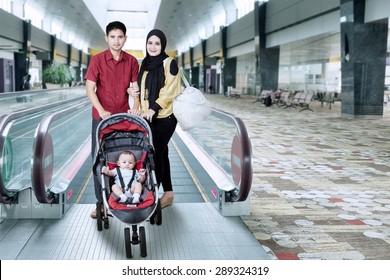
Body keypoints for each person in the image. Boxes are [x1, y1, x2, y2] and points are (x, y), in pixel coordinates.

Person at [85, 21, 139, 218]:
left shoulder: (132, 61)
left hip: (123, 117)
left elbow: (135, 88)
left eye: (120, 37)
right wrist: (101, 110)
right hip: (101, 118)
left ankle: (125, 193)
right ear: (106, 38)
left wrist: (136, 106)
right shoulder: (97, 60)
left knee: (125, 154)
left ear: (125, 38)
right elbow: (90, 89)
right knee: (98, 159)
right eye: (113, 37)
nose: (117, 41)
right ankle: (100, 203)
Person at [132, 29, 181, 209]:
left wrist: (154, 108)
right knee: (162, 153)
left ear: (163, 45)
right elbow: (143, 91)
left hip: (165, 116)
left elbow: (170, 90)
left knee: (155, 153)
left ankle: (152, 194)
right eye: (150, 43)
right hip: (149, 117)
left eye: (157, 43)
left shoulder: (170, 63)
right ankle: (168, 194)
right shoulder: (145, 65)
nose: (153, 47)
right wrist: (139, 105)